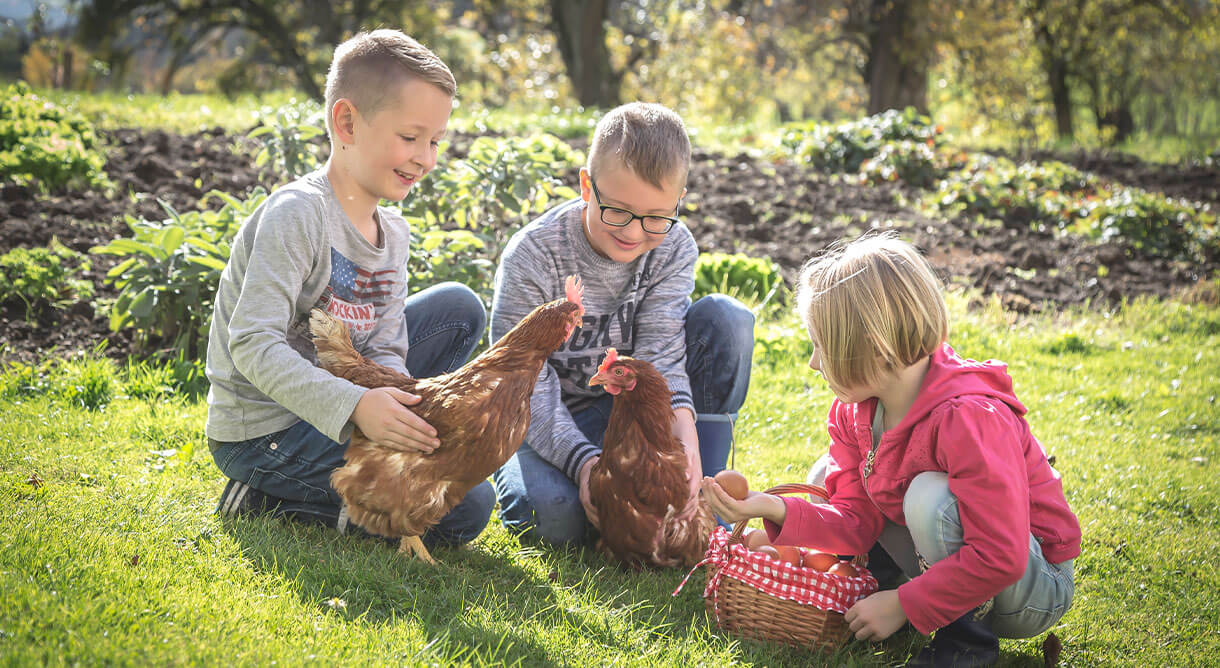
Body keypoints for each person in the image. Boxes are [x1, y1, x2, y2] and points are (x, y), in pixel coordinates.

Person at [701, 233, 1080, 667]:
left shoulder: (970, 418)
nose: (812, 362)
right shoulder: (855, 412)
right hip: (970, 561)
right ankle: (874, 587)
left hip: (1030, 587)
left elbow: (1001, 555)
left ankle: (966, 643)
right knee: (828, 474)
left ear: (870, 348)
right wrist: (772, 508)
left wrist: (904, 604)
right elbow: (856, 519)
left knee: (929, 499)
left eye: (820, 346)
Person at [205, 29, 494, 548]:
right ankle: (261, 496)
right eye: (410, 138)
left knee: (459, 308)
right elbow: (250, 343)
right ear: (347, 122)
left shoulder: (394, 234)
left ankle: (357, 484)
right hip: (263, 429)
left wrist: (403, 415)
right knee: (464, 510)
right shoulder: (299, 215)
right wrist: (358, 407)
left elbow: (385, 345)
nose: (426, 158)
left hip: (342, 394)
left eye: (434, 142)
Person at [491, 102, 755, 545]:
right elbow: (523, 382)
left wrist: (683, 452)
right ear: (586, 187)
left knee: (727, 321)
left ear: (678, 202)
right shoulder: (533, 256)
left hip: (624, 417)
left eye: (656, 217)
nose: (634, 233)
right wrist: (585, 465)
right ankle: (501, 469)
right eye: (618, 211)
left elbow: (662, 353)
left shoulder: (672, 248)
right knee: (556, 521)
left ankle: (702, 492)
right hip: (538, 415)